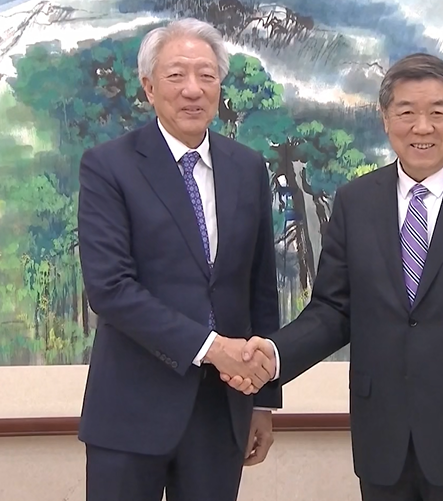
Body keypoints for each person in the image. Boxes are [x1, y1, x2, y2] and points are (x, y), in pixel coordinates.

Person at [233, 53, 443, 501]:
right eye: (406, 113)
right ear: (385, 118)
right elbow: (334, 310)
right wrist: (272, 355)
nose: (422, 128)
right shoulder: (356, 201)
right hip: (384, 444)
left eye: (437, 112)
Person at [76, 18, 281, 501]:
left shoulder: (247, 167)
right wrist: (210, 347)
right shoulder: (109, 166)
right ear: (149, 87)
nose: (193, 89)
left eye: (207, 76)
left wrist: (263, 402)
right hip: (131, 409)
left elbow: (260, 288)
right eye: (176, 75)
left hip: (221, 409)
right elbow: (110, 289)